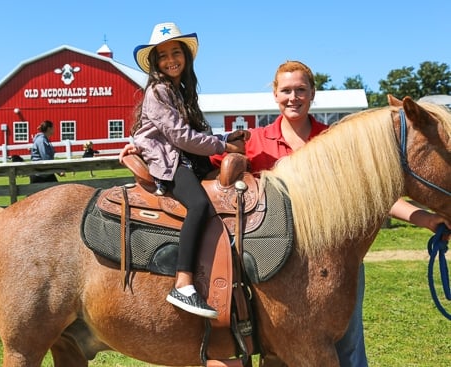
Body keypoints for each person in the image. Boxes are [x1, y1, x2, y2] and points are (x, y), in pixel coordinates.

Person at [209, 60, 451, 366]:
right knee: (280, 348)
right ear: (275, 95)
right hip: (277, 265)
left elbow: (370, 191)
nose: (293, 97)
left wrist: (424, 218)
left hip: (336, 261)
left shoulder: (336, 139)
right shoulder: (256, 141)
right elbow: (212, 164)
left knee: (347, 347)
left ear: (312, 93)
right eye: (286, 90)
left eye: (300, 90)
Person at [129, 22, 246, 319]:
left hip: (184, 156)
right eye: (164, 55)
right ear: (155, 62)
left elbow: (191, 133)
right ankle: (183, 282)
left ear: (186, 57)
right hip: (167, 160)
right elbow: (180, 137)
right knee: (198, 205)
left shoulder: (181, 91)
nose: (171, 60)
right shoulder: (158, 90)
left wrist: (223, 139)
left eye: (176, 52)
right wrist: (222, 147)